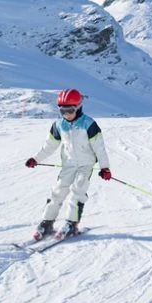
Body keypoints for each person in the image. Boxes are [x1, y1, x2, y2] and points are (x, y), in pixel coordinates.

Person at [24, 89, 112, 239]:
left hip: (85, 165)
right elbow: (49, 146)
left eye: (70, 110)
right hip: (69, 164)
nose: (66, 114)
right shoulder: (59, 125)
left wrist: (105, 168)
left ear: (78, 107)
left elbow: (99, 147)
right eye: (62, 111)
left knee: (78, 190)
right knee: (57, 191)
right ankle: (47, 222)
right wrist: (36, 159)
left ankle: (71, 224)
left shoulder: (89, 124)